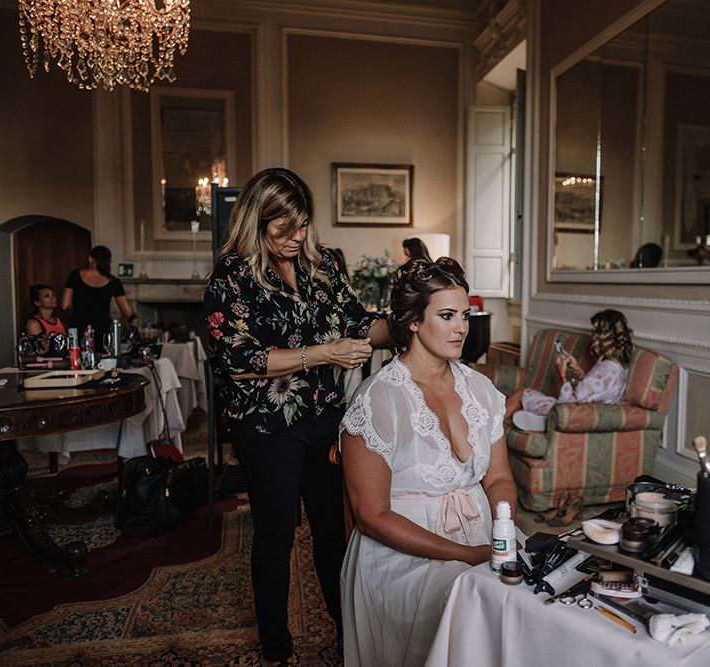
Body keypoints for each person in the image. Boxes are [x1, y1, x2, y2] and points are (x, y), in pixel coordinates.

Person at [203, 167, 391, 666]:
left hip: (325, 418)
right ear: (256, 221)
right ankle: (276, 649)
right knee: (275, 536)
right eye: (284, 228)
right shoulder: (232, 276)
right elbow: (238, 360)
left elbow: (358, 322)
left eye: (303, 225)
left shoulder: (325, 264)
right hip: (265, 426)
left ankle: (349, 637)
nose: (298, 237)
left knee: (334, 533)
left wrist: (411, 322)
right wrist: (322, 354)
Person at [340, 257, 517, 667]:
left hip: (484, 534)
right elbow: (372, 515)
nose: (461, 328)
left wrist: (503, 532)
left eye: (465, 316)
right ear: (414, 322)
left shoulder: (482, 390)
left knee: (534, 595)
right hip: (403, 551)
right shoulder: (378, 399)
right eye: (447, 315)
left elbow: (499, 479)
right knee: (464, 602)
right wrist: (466, 555)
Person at [505, 309, 634, 432]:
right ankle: (538, 420)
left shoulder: (605, 368)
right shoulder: (620, 368)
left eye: (595, 333)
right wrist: (578, 370)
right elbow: (593, 392)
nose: (592, 338)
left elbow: (568, 403)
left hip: (569, 415)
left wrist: (562, 375)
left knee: (523, 393)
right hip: (585, 414)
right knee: (526, 399)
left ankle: (492, 427)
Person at [61, 245, 136, 351]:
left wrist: (81, 303)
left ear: (91, 259)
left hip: (78, 326)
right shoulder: (114, 281)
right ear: (108, 262)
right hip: (103, 328)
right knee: (104, 362)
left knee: (77, 359)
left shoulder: (75, 275)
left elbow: (65, 305)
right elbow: (127, 312)